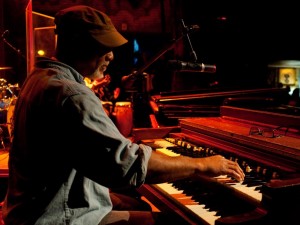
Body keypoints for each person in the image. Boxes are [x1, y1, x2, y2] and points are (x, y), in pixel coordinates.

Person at [2, 5, 245, 225]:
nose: (111, 56)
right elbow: (126, 167)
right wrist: (202, 164)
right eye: (103, 47)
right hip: (55, 218)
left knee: (135, 203)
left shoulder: (39, 79)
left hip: (31, 211)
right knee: (178, 221)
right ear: (77, 44)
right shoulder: (71, 94)